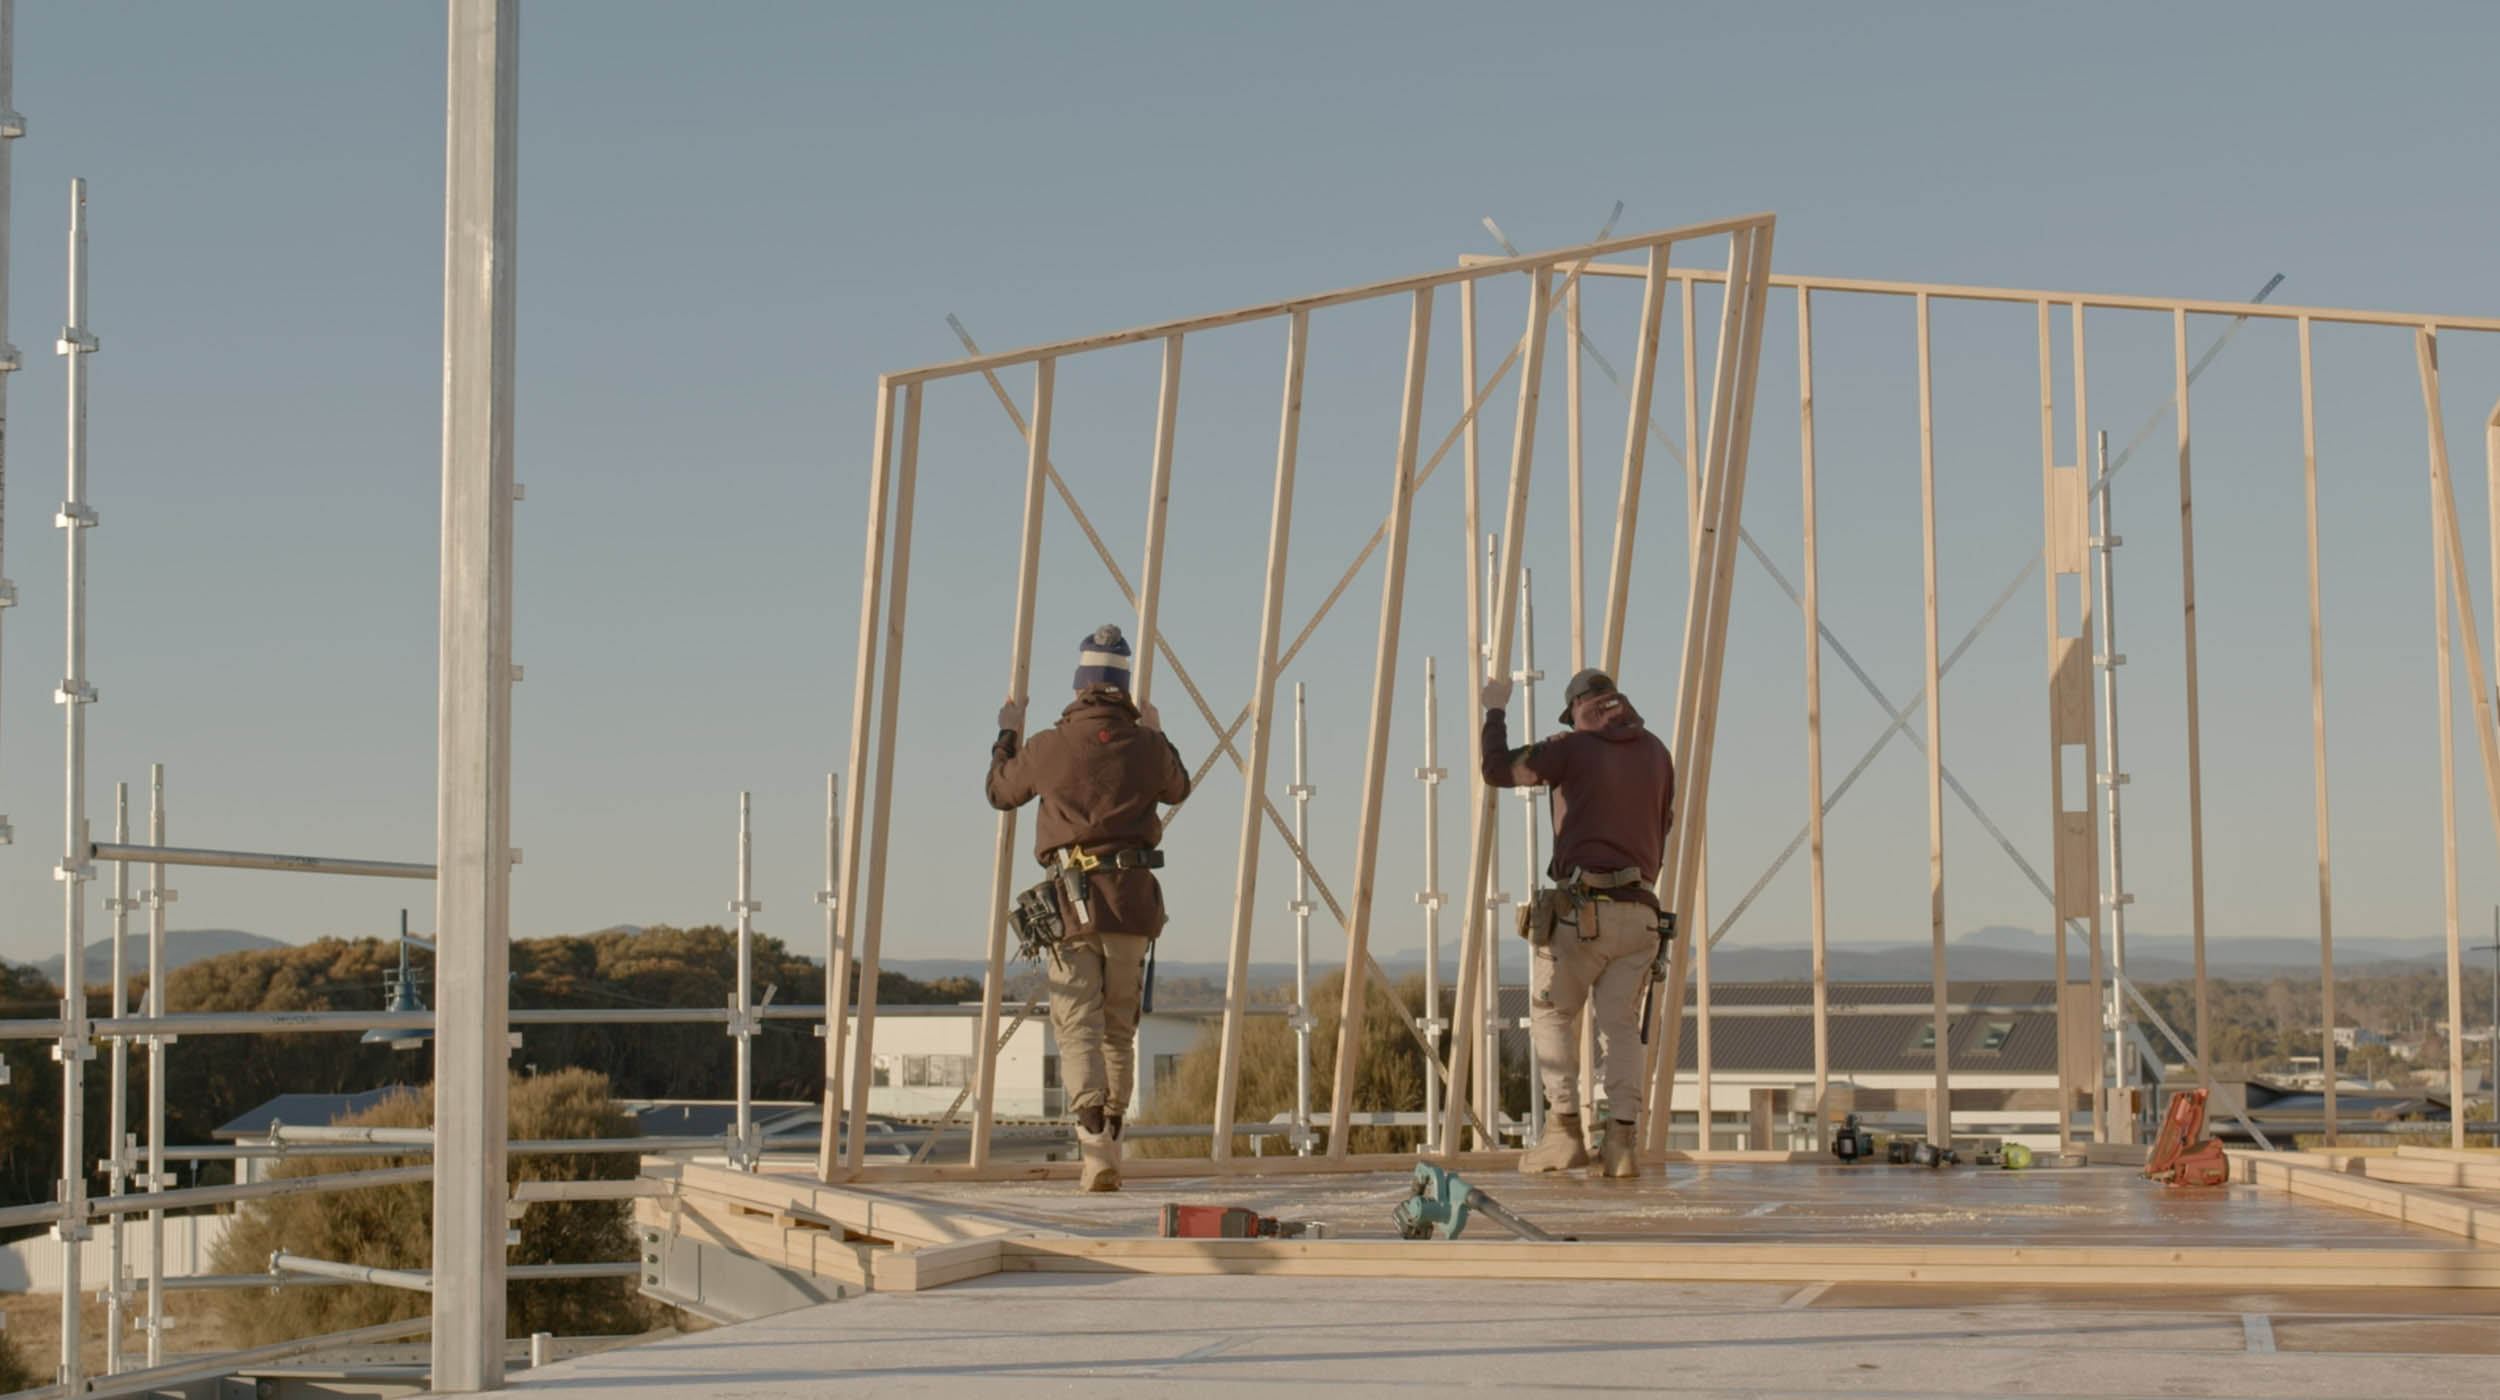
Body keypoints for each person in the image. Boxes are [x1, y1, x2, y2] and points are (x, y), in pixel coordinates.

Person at [986, 623, 1191, 1191]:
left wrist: (1007, 735)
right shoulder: (1146, 746)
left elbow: (1000, 791)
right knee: (1119, 1026)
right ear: (1123, 689)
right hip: (1130, 905)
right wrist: (1158, 732)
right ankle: (1113, 1140)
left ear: (1080, 687)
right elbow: (1180, 787)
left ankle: (1094, 1139)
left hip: (1070, 906)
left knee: (1077, 1025)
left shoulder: (1051, 746)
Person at [1479, 666, 1675, 1177]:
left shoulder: (1573, 747)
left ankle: (1564, 1132)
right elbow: (1664, 825)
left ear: (1579, 709)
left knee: (1551, 1013)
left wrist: (1495, 707)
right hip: (1642, 913)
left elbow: (1497, 769)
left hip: (1585, 910)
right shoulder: (1657, 752)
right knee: (1621, 1027)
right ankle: (1622, 1143)